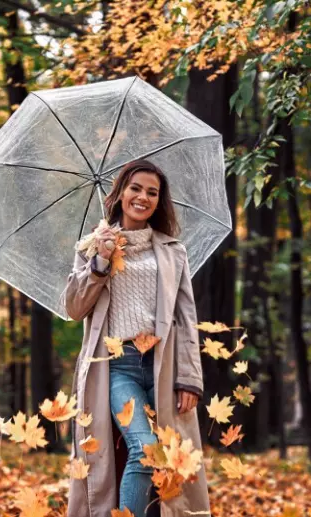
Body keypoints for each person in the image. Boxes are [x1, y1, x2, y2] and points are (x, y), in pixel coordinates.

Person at [61, 159, 211, 517]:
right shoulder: (92, 246)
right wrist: (101, 260)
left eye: (152, 192)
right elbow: (74, 307)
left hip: (161, 368)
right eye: (136, 188)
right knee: (145, 449)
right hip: (116, 368)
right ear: (121, 193)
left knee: (165, 462)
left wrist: (189, 378)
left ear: (159, 201)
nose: (143, 197)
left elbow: (186, 317)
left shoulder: (173, 251)